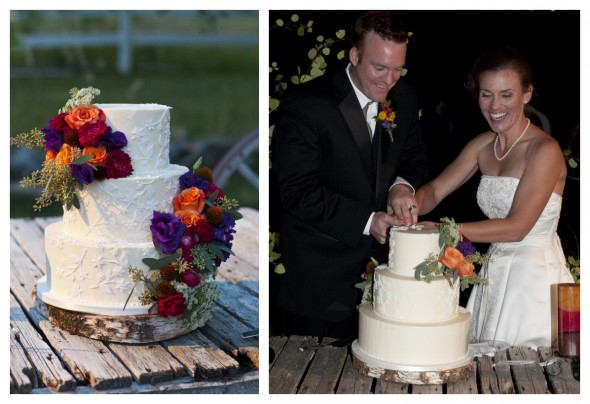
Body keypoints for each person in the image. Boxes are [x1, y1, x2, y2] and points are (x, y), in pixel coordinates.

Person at [271, 11, 429, 340]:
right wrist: (368, 220)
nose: (389, 80)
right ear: (354, 55)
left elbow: (413, 158)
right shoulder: (307, 105)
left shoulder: (405, 97)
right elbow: (297, 193)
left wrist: (401, 188)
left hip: (384, 286)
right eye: (379, 67)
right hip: (319, 285)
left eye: (397, 68)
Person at [414, 47, 574, 348]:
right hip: (494, 273)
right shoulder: (484, 145)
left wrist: (443, 231)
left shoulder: (544, 150)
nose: (495, 105)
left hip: (533, 281)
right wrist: (408, 207)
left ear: (527, 95)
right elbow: (434, 190)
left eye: (506, 94)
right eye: (486, 94)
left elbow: (517, 227)